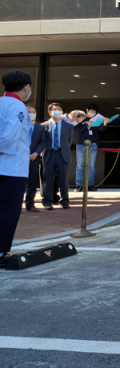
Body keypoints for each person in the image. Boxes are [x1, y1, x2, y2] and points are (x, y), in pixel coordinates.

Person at [0, 71, 32, 267]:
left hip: (8, 166)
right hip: (12, 167)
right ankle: (2, 251)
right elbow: (10, 137)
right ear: (25, 87)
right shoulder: (17, 106)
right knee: (8, 211)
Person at [41, 103, 74, 210]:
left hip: (62, 154)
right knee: (48, 179)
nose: (58, 111)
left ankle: (64, 201)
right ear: (49, 112)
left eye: (60, 109)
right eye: (55, 109)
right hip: (49, 154)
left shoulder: (68, 126)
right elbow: (42, 141)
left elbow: (69, 141)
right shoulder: (43, 126)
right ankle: (47, 201)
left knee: (63, 179)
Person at [74, 103, 107, 192]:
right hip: (81, 144)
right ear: (87, 110)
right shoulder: (81, 118)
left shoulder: (96, 119)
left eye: (95, 111)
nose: (93, 113)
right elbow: (76, 129)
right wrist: (87, 124)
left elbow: (100, 129)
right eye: (91, 111)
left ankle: (90, 184)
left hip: (93, 144)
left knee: (91, 165)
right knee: (80, 165)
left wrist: (104, 123)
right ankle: (79, 185)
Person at [24, 106, 46, 213]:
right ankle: (15, 205)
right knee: (18, 183)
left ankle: (30, 204)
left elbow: (43, 142)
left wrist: (36, 153)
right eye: (29, 112)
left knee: (32, 183)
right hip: (20, 158)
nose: (32, 114)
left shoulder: (40, 127)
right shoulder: (19, 125)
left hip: (34, 158)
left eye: (33, 112)